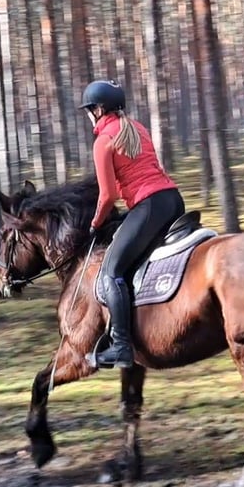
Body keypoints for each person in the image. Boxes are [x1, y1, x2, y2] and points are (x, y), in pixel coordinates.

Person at [80, 79, 185, 369]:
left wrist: (95, 224)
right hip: (172, 199)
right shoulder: (136, 128)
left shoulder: (103, 141)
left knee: (110, 272)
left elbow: (108, 195)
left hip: (149, 205)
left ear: (99, 110)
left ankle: (121, 345)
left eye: (89, 110)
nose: (89, 115)